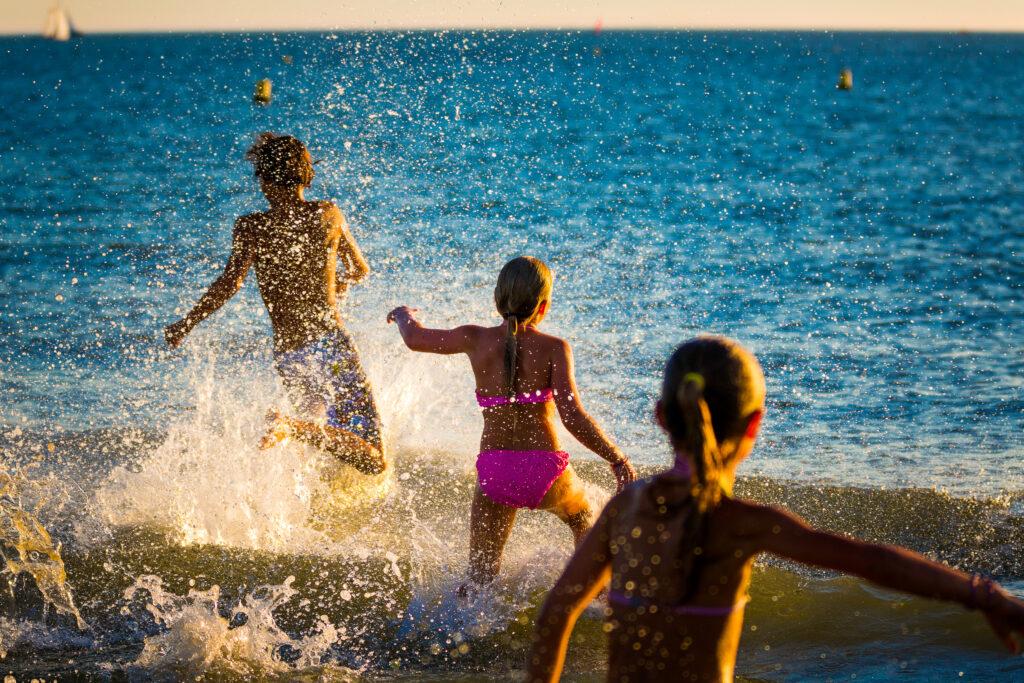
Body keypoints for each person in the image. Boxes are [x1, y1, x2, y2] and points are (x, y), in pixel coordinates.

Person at [527, 335, 1024, 682]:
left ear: (660, 417)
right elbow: (871, 562)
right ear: (753, 426)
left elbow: (556, 613)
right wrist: (986, 596)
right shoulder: (742, 524)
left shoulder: (626, 507)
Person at [386, 256, 637, 588]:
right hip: (546, 471)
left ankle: (458, 631)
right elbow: (573, 416)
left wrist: (404, 316)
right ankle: (590, 601)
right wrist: (617, 458)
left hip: (496, 470)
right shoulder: (555, 348)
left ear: (496, 299)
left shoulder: (473, 339)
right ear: (543, 307)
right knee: (583, 518)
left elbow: (415, 339)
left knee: (479, 576)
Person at [164, 132, 385, 475]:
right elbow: (360, 269)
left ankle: (292, 429)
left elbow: (229, 285)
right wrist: (340, 283)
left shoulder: (252, 227)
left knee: (324, 444)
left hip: (289, 354)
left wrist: (187, 323)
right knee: (373, 459)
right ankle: (289, 426)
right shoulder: (329, 215)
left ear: (264, 181)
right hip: (331, 345)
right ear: (307, 176)